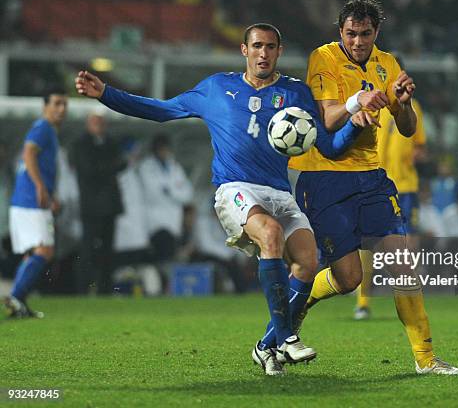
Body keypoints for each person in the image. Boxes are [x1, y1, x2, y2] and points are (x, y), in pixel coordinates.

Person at [75, 23, 363, 376]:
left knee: (307, 260)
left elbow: (330, 148)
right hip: (235, 188)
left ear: (279, 51)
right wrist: (106, 93)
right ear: (244, 50)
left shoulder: (296, 94)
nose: (263, 53)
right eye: (257, 46)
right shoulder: (216, 88)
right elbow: (160, 109)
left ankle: (265, 347)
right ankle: (287, 336)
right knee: (270, 234)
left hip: (278, 191)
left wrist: (355, 123)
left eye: (270, 47)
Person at [288, 0, 458, 374]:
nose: (358, 42)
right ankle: (292, 310)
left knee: (403, 264)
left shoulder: (388, 64)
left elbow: (409, 128)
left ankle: (426, 359)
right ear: (340, 32)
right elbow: (327, 118)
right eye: (351, 34)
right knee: (349, 278)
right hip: (325, 177)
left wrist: (401, 105)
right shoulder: (325, 58)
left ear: (376, 32)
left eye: (365, 34)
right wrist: (355, 101)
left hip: (371, 177)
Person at [353, 89, 426, 320]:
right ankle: (363, 302)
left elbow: (419, 144)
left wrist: (414, 154)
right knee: (369, 246)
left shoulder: (413, 107)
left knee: (408, 246)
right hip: (375, 184)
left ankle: (406, 299)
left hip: (405, 186)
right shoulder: (369, 103)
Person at [3, 89, 67, 318]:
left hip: (29, 200)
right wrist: (40, 186)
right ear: (45, 106)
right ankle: (16, 296)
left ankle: (18, 302)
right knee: (45, 249)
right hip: (30, 200)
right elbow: (28, 154)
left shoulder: (48, 131)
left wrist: (50, 194)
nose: (61, 109)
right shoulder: (43, 128)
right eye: (57, 104)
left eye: (64, 105)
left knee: (34, 252)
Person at [72, 110, 126, 294]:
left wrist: (106, 168)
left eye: (102, 122)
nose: (100, 126)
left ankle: (105, 289)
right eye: (96, 122)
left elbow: (120, 163)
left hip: (109, 205)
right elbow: (89, 170)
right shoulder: (81, 144)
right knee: (88, 248)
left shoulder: (111, 142)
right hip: (91, 205)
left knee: (107, 249)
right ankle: (82, 288)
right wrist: (110, 167)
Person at [139, 133, 193, 262]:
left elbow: (188, 194)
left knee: (171, 256)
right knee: (159, 257)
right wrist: (175, 191)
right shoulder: (146, 167)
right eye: (161, 149)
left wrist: (170, 191)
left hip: (173, 222)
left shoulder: (175, 166)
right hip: (155, 222)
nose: (164, 152)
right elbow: (153, 193)